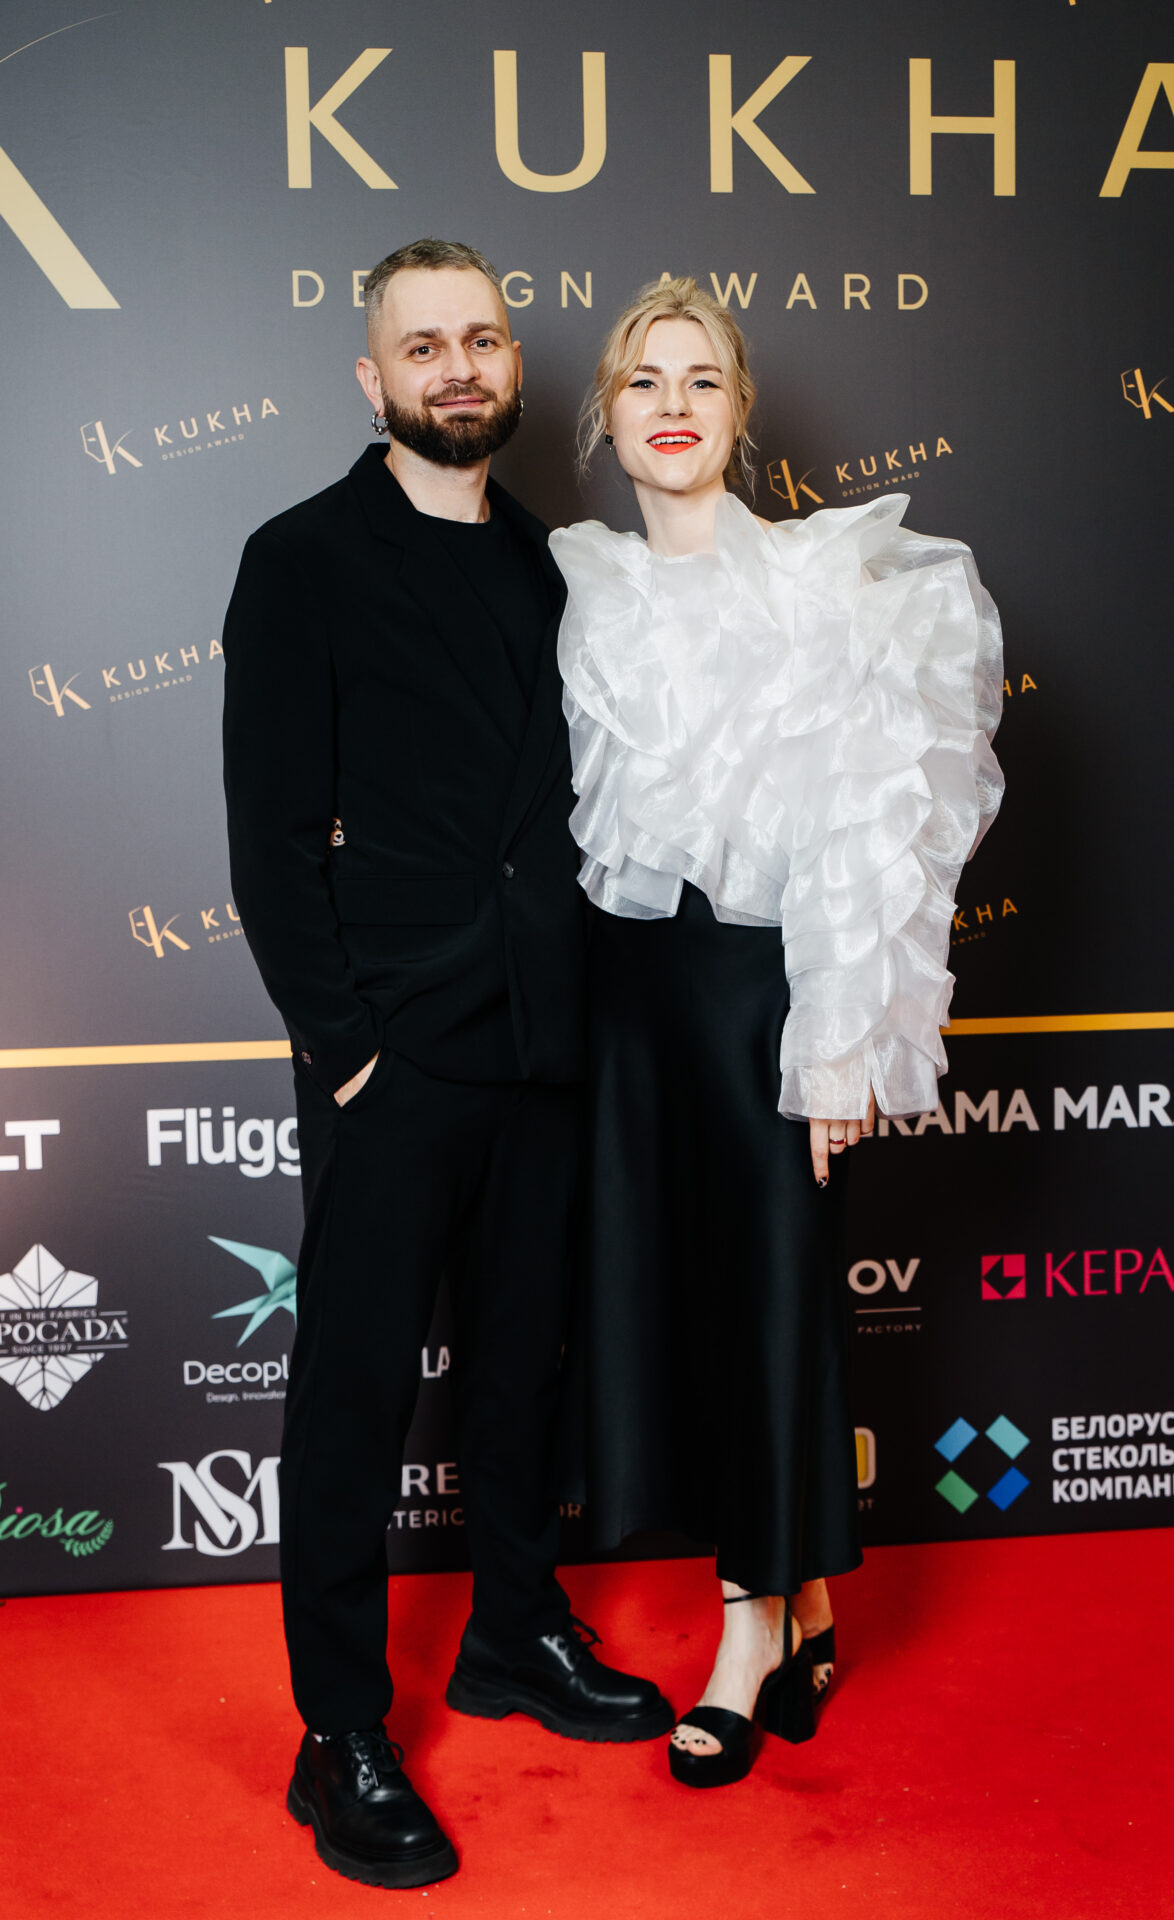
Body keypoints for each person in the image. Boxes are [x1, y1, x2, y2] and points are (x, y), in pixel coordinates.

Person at [221, 238, 673, 1892]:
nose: (459, 367)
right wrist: (346, 1053)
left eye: (480, 339)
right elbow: (271, 841)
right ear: (375, 379)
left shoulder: (564, 570)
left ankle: (512, 1633)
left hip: (548, 1041)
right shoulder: (300, 561)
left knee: (519, 1371)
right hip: (395, 1055)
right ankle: (337, 1732)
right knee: (353, 1393)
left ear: (512, 365)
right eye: (424, 347)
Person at [550, 278, 1003, 1789]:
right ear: (609, 420)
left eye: (702, 378)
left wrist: (842, 1040)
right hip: (628, 997)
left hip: (770, 993)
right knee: (682, 1305)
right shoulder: (585, 586)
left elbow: (878, 828)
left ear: (741, 411)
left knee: (773, 1299)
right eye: (643, 380)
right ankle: (805, 1604)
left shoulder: (832, 581)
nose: (672, 403)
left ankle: (746, 1635)